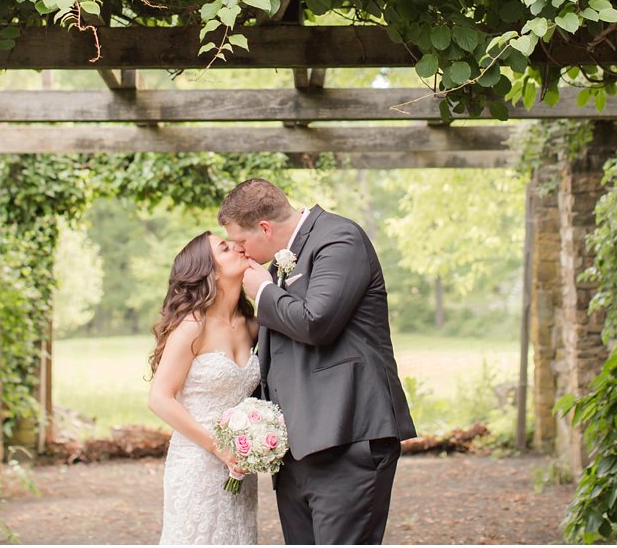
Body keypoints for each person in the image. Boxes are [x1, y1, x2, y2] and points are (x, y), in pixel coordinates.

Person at [220, 178, 416, 545]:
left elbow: (316, 322)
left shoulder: (339, 239)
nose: (242, 253)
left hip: (348, 440)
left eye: (243, 243)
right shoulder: (277, 263)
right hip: (297, 451)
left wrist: (263, 291)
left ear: (265, 228)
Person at [148, 231, 262, 545]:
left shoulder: (251, 325)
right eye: (225, 248)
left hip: (239, 465)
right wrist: (217, 447)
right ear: (209, 272)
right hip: (197, 462)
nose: (238, 246)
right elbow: (159, 398)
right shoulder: (192, 326)